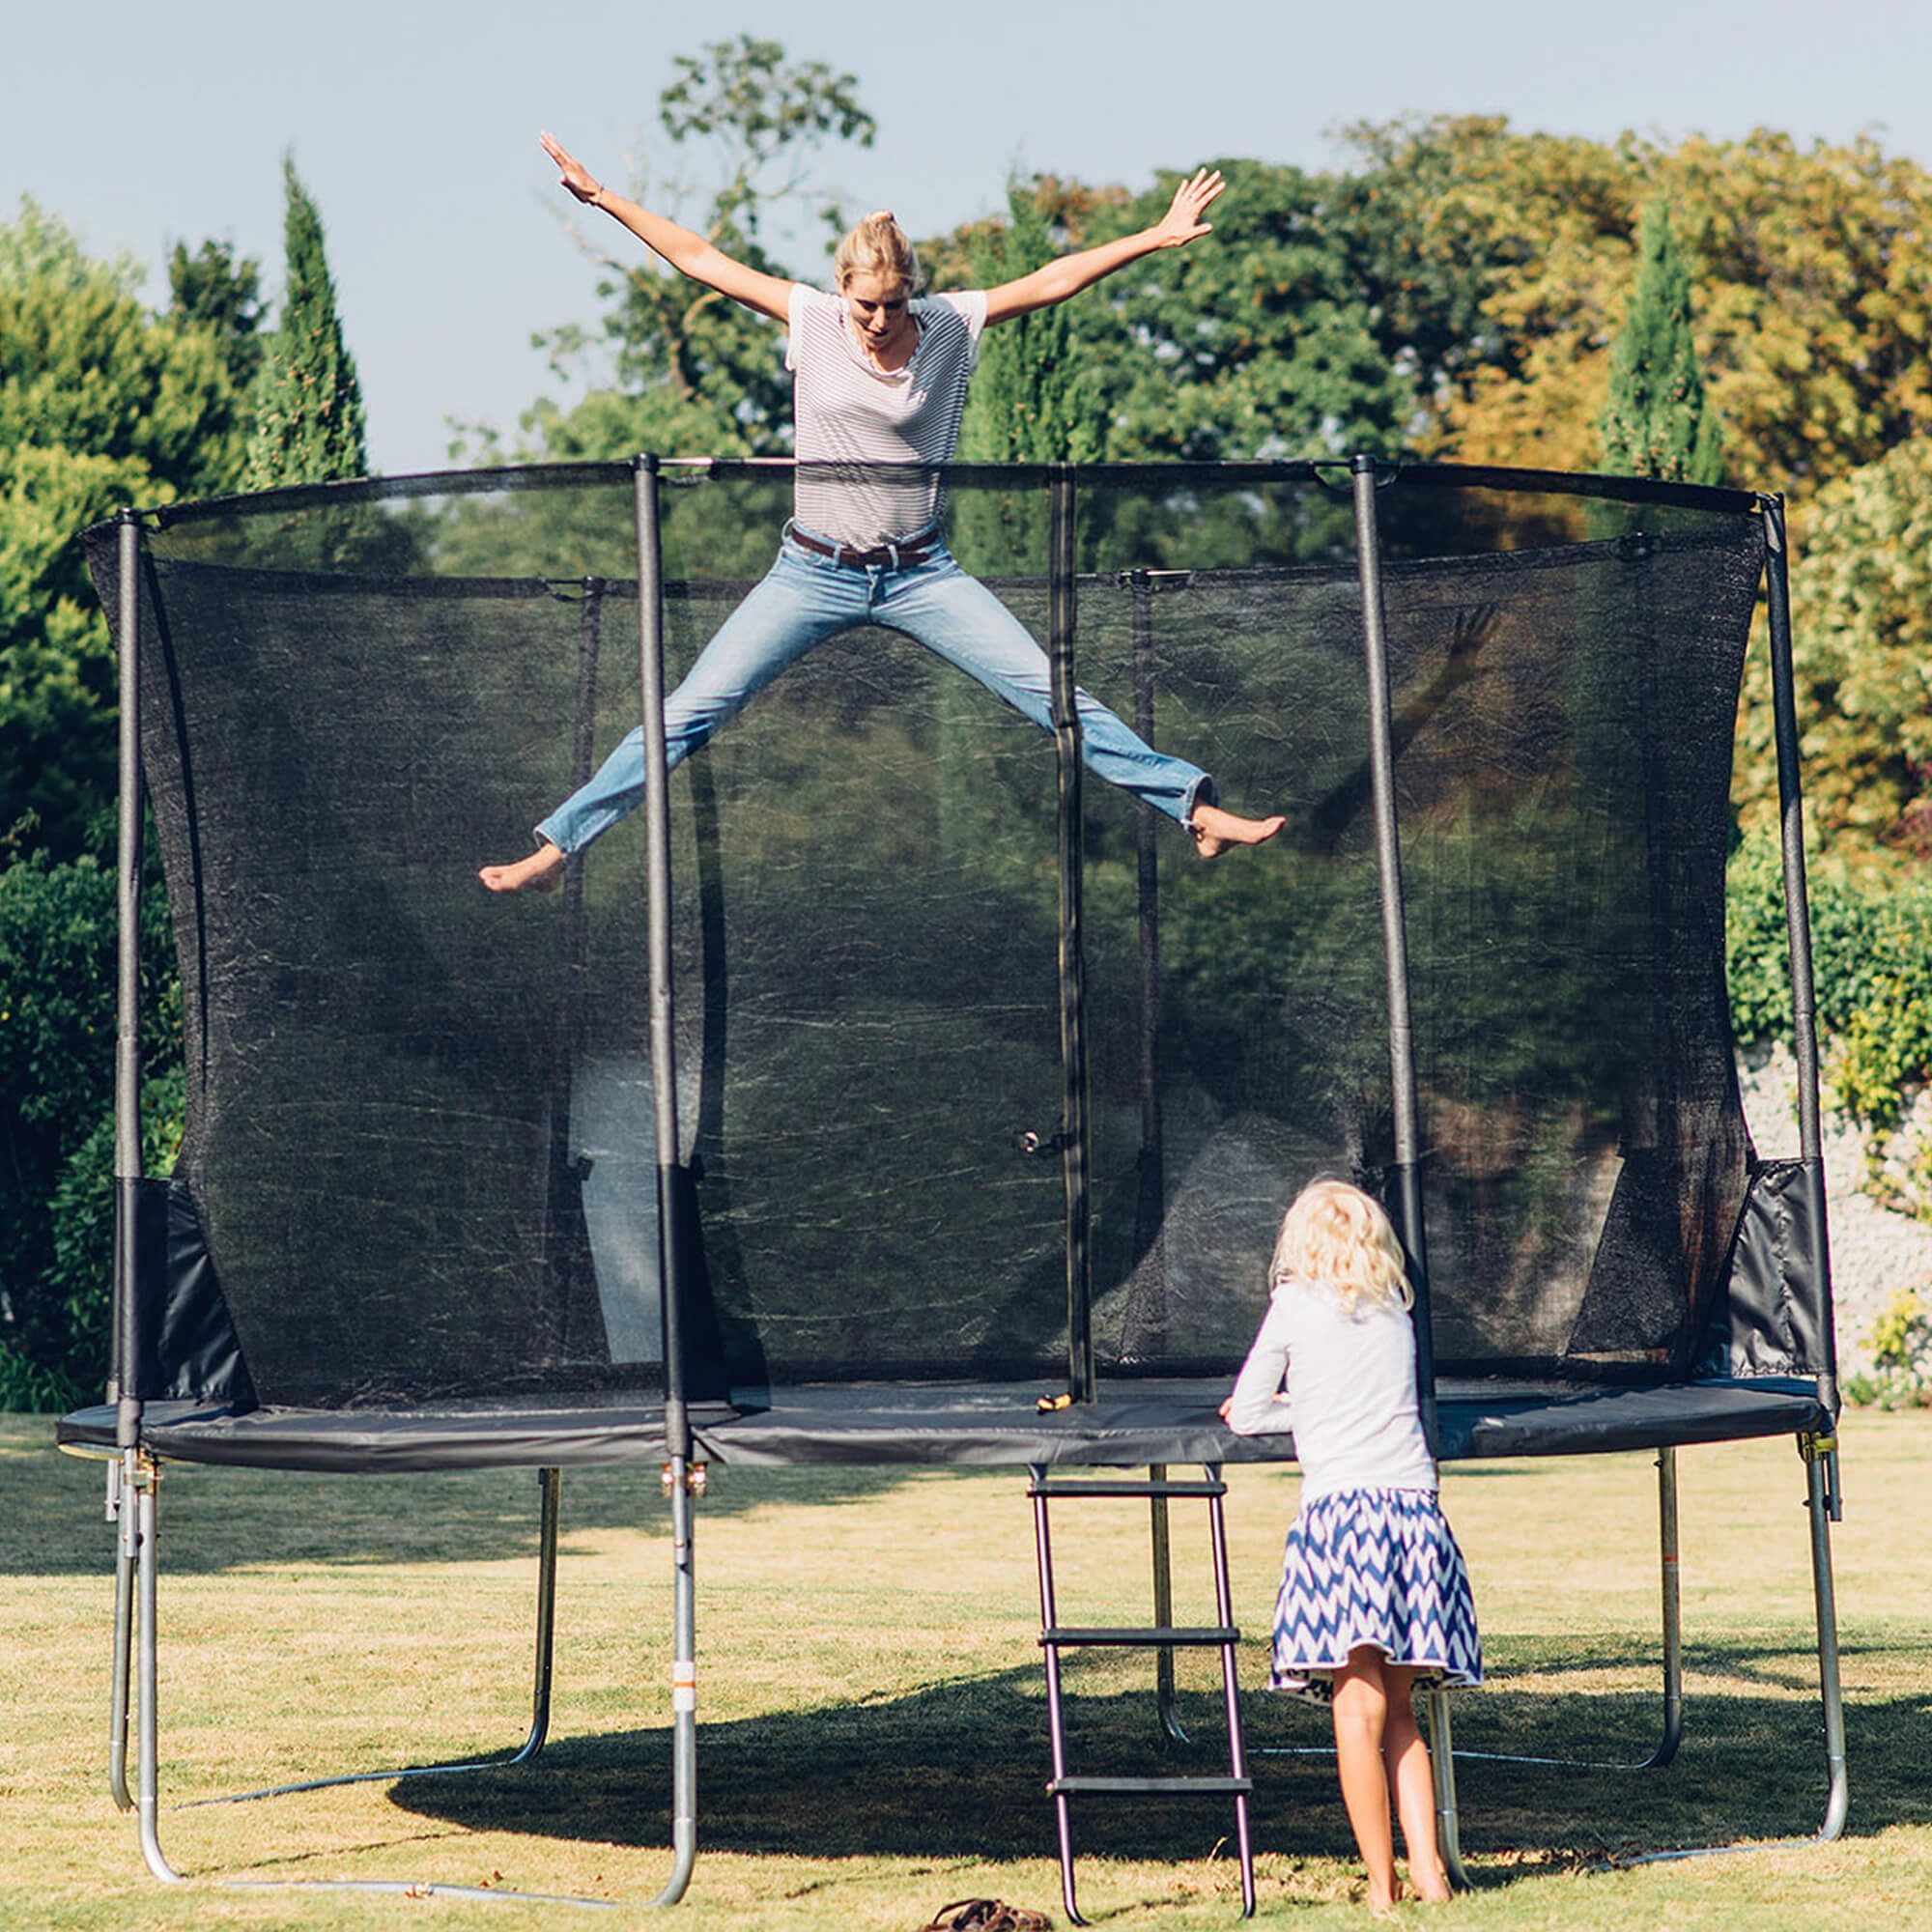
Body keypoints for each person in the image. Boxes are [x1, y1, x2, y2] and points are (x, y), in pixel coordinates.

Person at [480, 133, 1286, 893]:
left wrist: (1153, 235)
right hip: (811, 572)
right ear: (843, 290)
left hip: (921, 574)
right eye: (864, 305)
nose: (875, 322)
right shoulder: (812, 319)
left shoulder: (947, 327)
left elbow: (1049, 280)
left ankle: (1195, 810)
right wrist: (606, 199)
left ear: (911, 295)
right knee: (689, 711)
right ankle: (557, 849)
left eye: (890, 307)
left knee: (1053, 694)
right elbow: (700, 260)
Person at [1224, 1179, 1481, 1911]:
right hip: (1412, 1513)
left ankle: (1381, 1883)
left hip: (1342, 1520)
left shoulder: (1295, 1307)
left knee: (1354, 1707)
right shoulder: (1397, 1308)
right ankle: (1431, 1872)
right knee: (1400, 1710)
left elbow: (1246, 1412)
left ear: (1299, 1243)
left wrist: (1294, 1412)